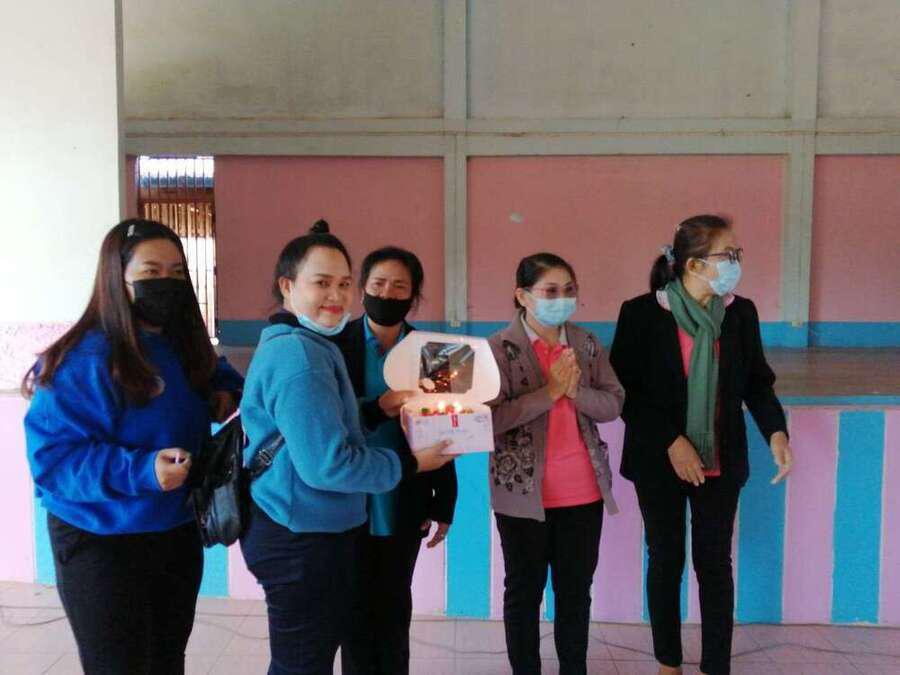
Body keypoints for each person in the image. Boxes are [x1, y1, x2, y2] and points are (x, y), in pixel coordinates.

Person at [23, 218, 243, 675]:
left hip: (174, 530)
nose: (166, 284)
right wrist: (142, 470)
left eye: (176, 273)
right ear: (115, 280)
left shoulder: (181, 344)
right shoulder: (85, 359)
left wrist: (224, 390)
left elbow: (214, 372)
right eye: (150, 273)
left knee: (165, 659)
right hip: (100, 541)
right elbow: (54, 461)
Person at [238, 221, 456, 675]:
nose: (336, 295)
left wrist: (376, 408)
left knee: (388, 612)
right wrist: (410, 462)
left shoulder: (429, 352)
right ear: (287, 286)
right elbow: (326, 462)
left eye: (342, 284)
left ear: (414, 295)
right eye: (322, 283)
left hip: (387, 504)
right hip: (319, 517)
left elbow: (326, 418)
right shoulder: (318, 347)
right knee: (321, 647)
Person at [609, 214, 794, 675]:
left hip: (720, 459)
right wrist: (672, 442)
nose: (736, 263)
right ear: (693, 265)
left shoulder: (739, 313)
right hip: (659, 461)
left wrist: (776, 431)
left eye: (737, 254)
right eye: (727, 255)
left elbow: (757, 383)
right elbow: (626, 392)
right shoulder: (641, 314)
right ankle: (668, 662)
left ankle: (715, 665)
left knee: (714, 564)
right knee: (665, 559)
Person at [487, 252, 625, 675]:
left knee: (574, 594)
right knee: (523, 593)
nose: (562, 299)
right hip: (521, 495)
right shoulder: (498, 349)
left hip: (583, 492)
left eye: (569, 290)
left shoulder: (586, 344)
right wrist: (548, 394)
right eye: (550, 291)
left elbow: (613, 404)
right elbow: (489, 420)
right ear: (522, 296)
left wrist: (574, 391)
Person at [332, 246, 458, 675]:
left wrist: (444, 503)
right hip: (347, 496)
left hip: (406, 495)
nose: (387, 293)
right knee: (353, 608)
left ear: (413, 295)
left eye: (399, 286)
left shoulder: (434, 354)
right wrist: (377, 407)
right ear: (362, 288)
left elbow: (446, 430)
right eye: (378, 284)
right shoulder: (334, 345)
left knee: (394, 604)